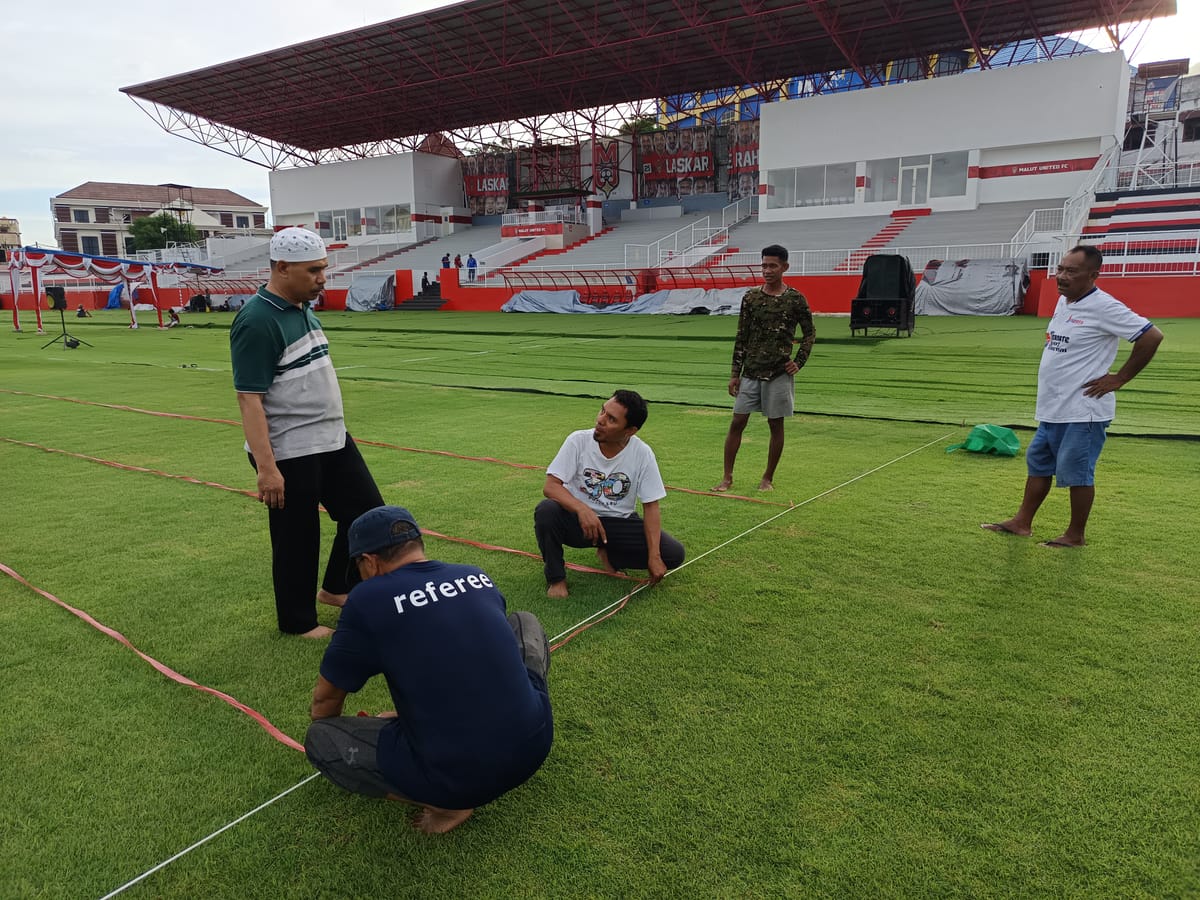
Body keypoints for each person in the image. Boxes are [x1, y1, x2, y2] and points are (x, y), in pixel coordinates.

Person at [306, 505, 553, 835]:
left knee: (321, 739)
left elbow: (324, 704)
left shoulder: (367, 599)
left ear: (369, 561)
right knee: (524, 622)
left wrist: (344, 732)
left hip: (457, 776)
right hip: (535, 745)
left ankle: (447, 804)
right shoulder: (474, 574)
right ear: (417, 544)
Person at [230, 226, 384, 638]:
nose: (322, 278)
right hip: (290, 448)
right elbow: (250, 400)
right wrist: (267, 468)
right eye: (314, 270)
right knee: (297, 537)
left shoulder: (301, 308)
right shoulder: (257, 321)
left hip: (331, 439)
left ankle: (337, 588)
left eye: (323, 269)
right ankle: (297, 623)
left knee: (367, 513)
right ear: (282, 268)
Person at [982, 245, 1163, 548]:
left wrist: (1120, 377)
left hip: (1084, 410)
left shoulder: (1105, 306)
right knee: (1038, 463)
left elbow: (1151, 335)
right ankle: (1022, 522)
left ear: (1093, 275)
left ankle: (1075, 535)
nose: (1061, 276)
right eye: (1061, 269)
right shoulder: (1064, 302)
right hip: (1054, 406)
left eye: (1071, 271)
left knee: (1077, 472)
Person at [534, 390, 685, 599]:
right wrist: (582, 509)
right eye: (603, 411)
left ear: (630, 430)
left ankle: (610, 553)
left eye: (611, 419)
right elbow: (551, 486)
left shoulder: (642, 454)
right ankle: (556, 578)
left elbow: (651, 506)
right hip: (578, 523)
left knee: (673, 554)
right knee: (546, 510)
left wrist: (654, 556)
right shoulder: (578, 441)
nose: (600, 420)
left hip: (618, 523)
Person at [714, 244, 815, 493]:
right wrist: (734, 374)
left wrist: (799, 361)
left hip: (779, 373)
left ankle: (767, 478)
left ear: (784, 267)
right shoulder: (751, 298)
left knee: (775, 425)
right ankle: (727, 478)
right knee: (737, 422)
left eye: (773, 266)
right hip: (750, 372)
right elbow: (742, 337)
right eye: (764, 265)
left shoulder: (795, 299)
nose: (767, 270)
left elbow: (810, 332)